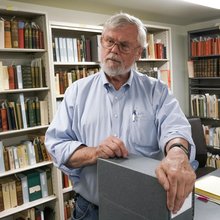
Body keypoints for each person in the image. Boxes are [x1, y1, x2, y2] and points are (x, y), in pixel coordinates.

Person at [45, 12, 196, 220]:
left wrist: (178, 153)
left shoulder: (157, 91)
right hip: (90, 211)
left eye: (124, 45)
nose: (113, 50)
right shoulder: (76, 92)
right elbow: (56, 145)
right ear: (101, 42)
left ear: (138, 53)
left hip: (144, 208)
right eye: (109, 41)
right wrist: (95, 152)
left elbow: (175, 128)